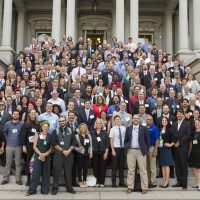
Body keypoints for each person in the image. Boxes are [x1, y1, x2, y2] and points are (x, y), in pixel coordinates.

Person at [124, 114, 150, 194]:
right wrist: (127, 148)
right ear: (132, 120)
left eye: (137, 118)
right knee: (131, 170)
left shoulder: (144, 128)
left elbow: (147, 141)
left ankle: (144, 187)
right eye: (134, 118)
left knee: (143, 170)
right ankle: (130, 187)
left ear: (139, 120)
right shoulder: (128, 129)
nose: (135, 119)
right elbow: (126, 140)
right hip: (131, 151)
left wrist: (145, 150)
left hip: (140, 151)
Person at [51, 116, 77, 195]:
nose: (62, 122)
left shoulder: (70, 130)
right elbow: (53, 142)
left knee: (68, 172)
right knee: (56, 172)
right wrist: (62, 150)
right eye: (60, 121)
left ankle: (69, 188)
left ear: (66, 121)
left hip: (69, 155)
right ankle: (55, 188)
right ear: (59, 122)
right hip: (58, 155)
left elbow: (74, 142)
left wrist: (68, 151)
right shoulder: (55, 131)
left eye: (63, 121)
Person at [26, 121, 52, 196]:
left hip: (46, 156)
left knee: (46, 173)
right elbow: (34, 146)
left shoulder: (50, 136)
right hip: (38, 156)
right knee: (36, 173)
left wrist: (46, 154)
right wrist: (40, 154)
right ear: (41, 127)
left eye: (47, 127)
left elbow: (51, 148)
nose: (45, 128)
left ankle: (45, 190)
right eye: (44, 126)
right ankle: (32, 190)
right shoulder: (37, 134)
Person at [1, 110, 24, 185]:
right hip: (9, 146)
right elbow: (4, 132)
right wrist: (7, 139)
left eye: (17, 114)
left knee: (18, 163)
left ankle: (18, 179)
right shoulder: (7, 124)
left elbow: (23, 134)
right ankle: (5, 179)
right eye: (14, 114)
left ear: (19, 116)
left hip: (18, 146)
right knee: (8, 163)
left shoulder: (22, 124)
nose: (15, 115)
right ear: (12, 115)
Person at [171, 109, 191, 189]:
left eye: (180, 114)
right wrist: (175, 142)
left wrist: (179, 142)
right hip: (175, 148)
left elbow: (188, 135)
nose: (178, 115)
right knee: (177, 166)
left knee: (183, 166)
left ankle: (184, 183)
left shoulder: (187, 123)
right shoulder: (174, 124)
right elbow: (172, 134)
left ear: (183, 114)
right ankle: (179, 182)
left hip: (183, 147)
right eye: (177, 114)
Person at [22, 109, 40, 186]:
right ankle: (28, 180)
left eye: (34, 113)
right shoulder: (26, 124)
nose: (33, 114)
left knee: (36, 163)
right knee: (29, 162)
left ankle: (35, 179)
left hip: (37, 146)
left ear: (36, 114)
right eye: (31, 112)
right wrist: (23, 146)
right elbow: (23, 136)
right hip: (29, 147)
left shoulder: (38, 124)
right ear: (29, 114)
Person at [91, 119, 109, 187]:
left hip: (103, 152)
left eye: (100, 123)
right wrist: (91, 152)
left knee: (102, 168)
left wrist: (106, 153)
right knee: (95, 167)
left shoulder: (105, 133)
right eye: (97, 123)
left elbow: (107, 144)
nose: (98, 124)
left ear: (102, 125)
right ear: (95, 124)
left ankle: (102, 182)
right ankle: (96, 182)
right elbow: (90, 143)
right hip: (94, 152)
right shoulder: (92, 132)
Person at [109, 115, 126, 187]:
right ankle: (114, 182)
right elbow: (111, 140)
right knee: (114, 166)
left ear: (120, 120)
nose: (118, 120)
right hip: (115, 148)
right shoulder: (112, 129)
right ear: (114, 121)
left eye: (119, 119)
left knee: (121, 166)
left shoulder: (124, 128)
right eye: (116, 120)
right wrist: (112, 150)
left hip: (123, 149)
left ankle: (121, 182)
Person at [158, 117, 174, 188]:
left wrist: (170, 144)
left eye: (165, 120)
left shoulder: (170, 129)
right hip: (161, 149)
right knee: (163, 165)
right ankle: (164, 181)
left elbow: (176, 138)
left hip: (167, 149)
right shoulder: (160, 129)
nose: (164, 121)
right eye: (163, 120)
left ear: (167, 122)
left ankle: (167, 182)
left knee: (167, 165)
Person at [75, 123, 92, 188]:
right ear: (79, 128)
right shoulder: (77, 136)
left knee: (85, 168)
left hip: (87, 155)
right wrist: (78, 149)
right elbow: (73, 146)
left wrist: (91, 153)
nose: (83, 129)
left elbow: (91, 145)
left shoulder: (89, 135)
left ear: (86, 128)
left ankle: (84, 181)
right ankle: (80, 181)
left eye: (84, 127)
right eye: (81, 128)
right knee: (79, 168)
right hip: (80, 155)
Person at [146, 115, 159, 188]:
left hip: (151, 148)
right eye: (148, 119)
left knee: (152, 166)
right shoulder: (144, 128)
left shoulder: (155, 128)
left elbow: (157, 139)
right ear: (146, 120)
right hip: (145, 149)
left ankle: (153, 182)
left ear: (152, 120)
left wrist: (155, 150)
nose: (149, 120)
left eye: (150, 119)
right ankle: (148, 181)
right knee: (146, 167)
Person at [188, 118, 200, 191]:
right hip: (193, 152)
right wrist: (189, 152)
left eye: (198, 123)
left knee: (198, 170)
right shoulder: (193, 132)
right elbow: (191, 143)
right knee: (194, 169)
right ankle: (198, 184)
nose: (197, 124)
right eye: (196, 123)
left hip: (199, 153)